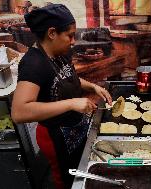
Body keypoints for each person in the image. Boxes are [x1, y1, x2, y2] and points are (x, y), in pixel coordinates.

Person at [11, 4, 112, 189]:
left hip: (74, 128)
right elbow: (19, 111)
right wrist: (71, 103)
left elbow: (69, 78)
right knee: (66, 181)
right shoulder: (33, 63)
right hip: (55, 136)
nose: (73, 41)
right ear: (52, 33)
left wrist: (93, 86)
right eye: (70, 35)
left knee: (80, 171)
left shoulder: (60, 53)